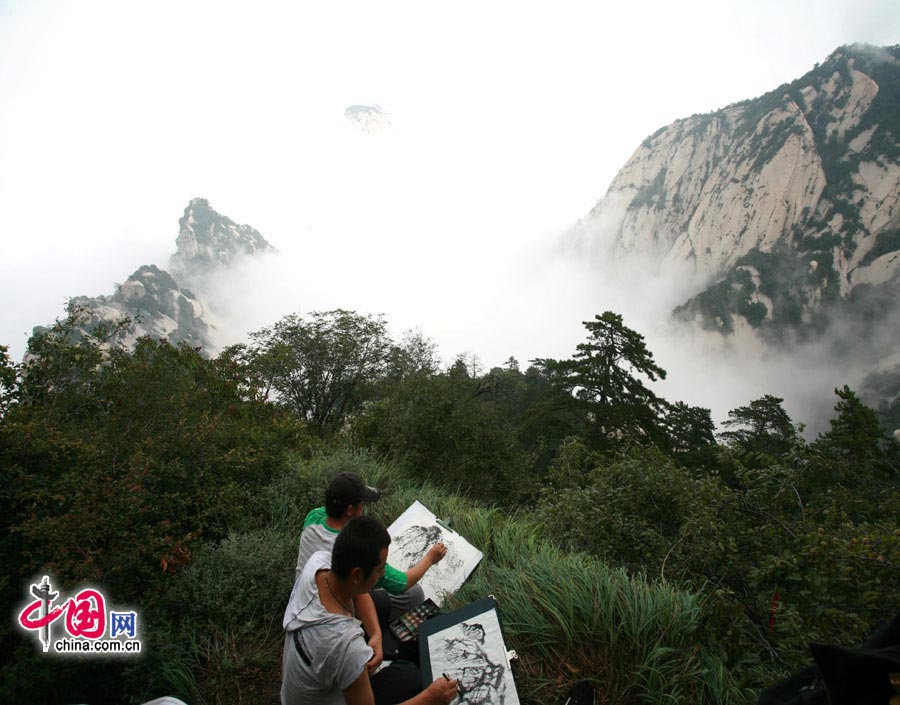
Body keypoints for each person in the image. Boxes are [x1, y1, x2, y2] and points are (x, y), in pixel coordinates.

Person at [282, 515, 458, 705]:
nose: (382, 574)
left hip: (303, 687)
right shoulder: (347, 646)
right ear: (357, 574)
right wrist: (430, 698)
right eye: (379, 569)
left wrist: (376, 634)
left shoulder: (319, 563)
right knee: (409, 675)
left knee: (380, 601)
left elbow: (358, 592)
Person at [295, 472, 447, 619]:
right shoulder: (355, 547)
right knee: (414, 594)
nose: (363, 509)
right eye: (362, 505)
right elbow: (403, 583)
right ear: (349, 510)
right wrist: (430, 558)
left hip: (303, 597)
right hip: (332, 613)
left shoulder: (314, 517)